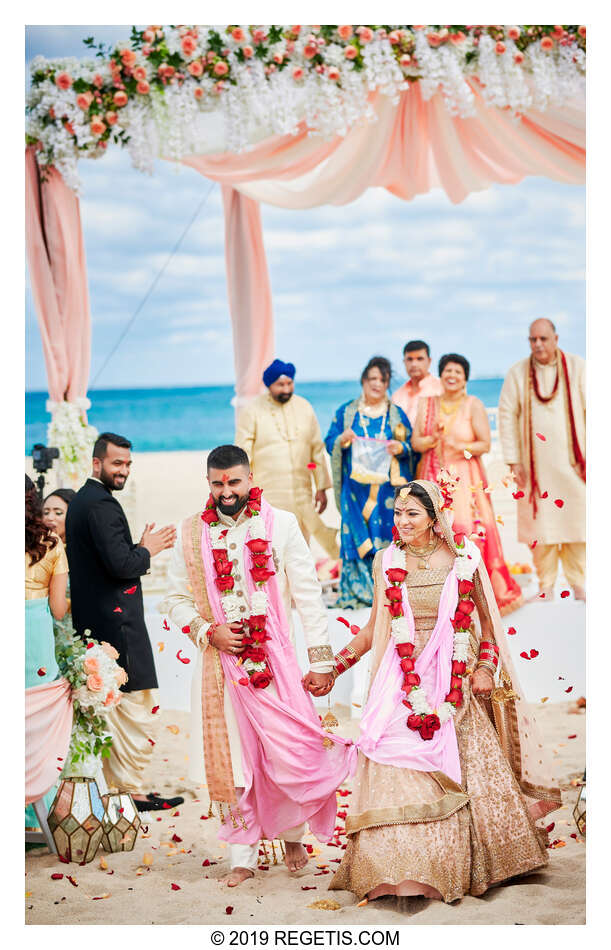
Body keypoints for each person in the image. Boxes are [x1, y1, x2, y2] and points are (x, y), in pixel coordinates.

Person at [308, 480, 561, 903]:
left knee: (464, 766)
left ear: (433, 516)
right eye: (397, 514)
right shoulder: (386, 561)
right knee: (390, 756)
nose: (402, 522)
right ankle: (396, 871)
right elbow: (374, 628)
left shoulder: (462, 559)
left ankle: (454, 865)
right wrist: (334, 667)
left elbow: (487, 624)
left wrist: (482, 666)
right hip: (400, 679)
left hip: (452, 678)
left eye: (412, 514)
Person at [159, 444, 356, 887]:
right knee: (238, 762)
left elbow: (308, 597)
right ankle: (242, 857)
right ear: (208, 483)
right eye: (217, 483)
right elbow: (173, 599)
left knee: (288, 752)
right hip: (221, 669)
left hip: (277, 665)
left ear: (249, 479)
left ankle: (292, 836)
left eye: (233, 482)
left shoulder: (282, 524)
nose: (226, 491)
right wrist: (209, 631)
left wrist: (321, 662)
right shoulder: (192, 532)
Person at [65, 432, 182, 812]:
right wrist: (149, 549)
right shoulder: (99, 505)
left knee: (119, 709)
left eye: (128, 464)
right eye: (117, 463)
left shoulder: (87, 501)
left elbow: (108, 560)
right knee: (137, 707)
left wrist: (138, 546)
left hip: (99, 620)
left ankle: (123, 789)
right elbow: (121, 566)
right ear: (96, 463)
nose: (124, 471)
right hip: (116, 624)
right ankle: (128, 791)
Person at [412, 353, 522, 615]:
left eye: (458, 372)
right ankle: (438, 592)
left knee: (464, 531)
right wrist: (434, 439)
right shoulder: (427, 404)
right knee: (435, 532)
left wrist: (462, 447)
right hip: (434, 475)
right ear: (441, 375)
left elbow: (484, 444)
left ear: (465, 378)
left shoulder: (473, 404)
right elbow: (417, 443)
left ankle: (471, 592)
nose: (452, 376)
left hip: (464, 478)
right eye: (448, 371)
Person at [498, 319, 586, 601]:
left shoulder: (577, 366)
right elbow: (506, 415)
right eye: (533, 339)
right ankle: (545, 583)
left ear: (556, 339)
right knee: (540, 527)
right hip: (533, 467)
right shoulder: (518, 372)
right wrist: (513, 460)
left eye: (543, 339)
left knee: (577, 522)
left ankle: (578, 581)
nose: (538, 345)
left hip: (574, 462)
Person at [325, 356, 418, 609]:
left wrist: (401, 447)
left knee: (386, 534)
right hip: (354, 490)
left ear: (387, 384)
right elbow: (329, 441)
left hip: (388, 490)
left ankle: (387, 589)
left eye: (382, 379)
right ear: (363, 380)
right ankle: (357, 591)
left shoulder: (396, 414)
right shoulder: (346, 412)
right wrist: (342, 439)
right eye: (372, 378)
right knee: (354, 536)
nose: (377, 384)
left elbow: (412, 446)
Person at [235, 358, 338, 559]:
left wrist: (322, 487)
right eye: (280, 385)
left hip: (302, 491)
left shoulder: (304, 407)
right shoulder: (253, 410)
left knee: (301, 547)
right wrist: (243, 491)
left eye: (289, 383)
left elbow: (316, 449)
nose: (286, 389)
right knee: (273, 548)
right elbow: (242, 454)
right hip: (268, 493)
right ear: (269, 385)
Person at [25, 475, 69, 828]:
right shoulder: (51, 542)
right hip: (35, 634)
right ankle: (34, 809)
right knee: (34, 720)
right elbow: (57, 610)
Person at [42, 489, 76, 648]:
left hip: (72, 633)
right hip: (42, 630)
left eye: (58, 512)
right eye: (46, 512)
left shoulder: (80, 554)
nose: (50, 518)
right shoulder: (38, 552)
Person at [392, 340, 443, 426]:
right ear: (404, 362)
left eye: (420, 359)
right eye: (410, 359)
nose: (414, 364)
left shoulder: (441, 389)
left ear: (429, 361)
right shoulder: (397, 396)